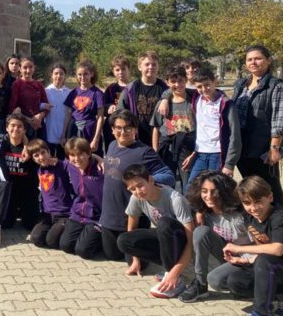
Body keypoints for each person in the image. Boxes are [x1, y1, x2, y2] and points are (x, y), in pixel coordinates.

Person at [218, 176, 283, 316]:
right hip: (277, 269)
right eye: (247, 203)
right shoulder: (250, 217)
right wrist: (245, 260)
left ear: (270, 197)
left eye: (258, 202)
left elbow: (278, 249)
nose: (253, 208)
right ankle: (281, 299)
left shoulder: (280, 218)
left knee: (265, 261)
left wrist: (239, 249)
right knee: (235, 281)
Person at [99, 110, 175, 262]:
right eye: (118, 127)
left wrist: (143, 181)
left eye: (127, 127)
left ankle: (166, 249)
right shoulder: (112, 145)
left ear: (135, 130)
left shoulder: (144, 152)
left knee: (137, 262)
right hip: (109, 216)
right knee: (112, 255)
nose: (123, 132)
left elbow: (169, 176)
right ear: (112, 129)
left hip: (132, 217)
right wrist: (97, 159)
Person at [117, 164, 195, 299]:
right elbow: (131, 229)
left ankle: (176, 278)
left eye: (140, 185)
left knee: (164, 224)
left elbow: (191, 240)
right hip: (165, 238)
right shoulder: (136, 198)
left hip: (183, 242)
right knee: (124, 240)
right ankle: (170, 269)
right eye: (132, 189)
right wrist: (135, 259)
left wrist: (174, 273)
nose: (138, 191)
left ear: (151, 180)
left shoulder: (174, 199)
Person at [231, 44, 283, 208]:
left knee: (270, 188)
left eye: (258, 58)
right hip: (241, 146)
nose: (253, 62)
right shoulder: (240, 85)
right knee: (250, 186)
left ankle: (280, 219)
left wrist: (274, 148)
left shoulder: (277, 85)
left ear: (268, 61)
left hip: (262, 147)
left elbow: (279, 118)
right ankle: (258, 219)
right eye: (249, 59)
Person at [179, 171, 247, 303]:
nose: (208, 196)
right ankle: (200, 284)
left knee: (216, 280)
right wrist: (200, 212)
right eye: (204, 191)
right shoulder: (206, 212)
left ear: (224, 192)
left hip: (248, 260)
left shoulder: (240, 216)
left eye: (214, 191)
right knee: (201, 231)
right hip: (228, 257)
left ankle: (248, 285)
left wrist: (244, 259)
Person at [185, 67, 241, 188]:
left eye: (207, 85)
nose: (204, 89)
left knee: (216, 189)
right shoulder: (196, 99)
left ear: (215, 82)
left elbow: (235, 134)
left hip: (217, 154)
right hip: (200, 153)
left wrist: (229, 164)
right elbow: (174, 88)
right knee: (191, 187)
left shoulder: (226, 103)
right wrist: (165, 98)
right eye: (199, 86)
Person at [150, 65, 195, 192]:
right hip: (167, 148)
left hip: (187, 150)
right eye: (173, 81)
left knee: (188, 185)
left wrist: (194, 153)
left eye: (180, 80)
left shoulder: (194, 100)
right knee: (166, 185)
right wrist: (155, 150)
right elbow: (156, 127)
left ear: (186, 80)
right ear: (167, 82)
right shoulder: (162, 104)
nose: (177, 84)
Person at [59, 138, 105, 260]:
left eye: (80, 154)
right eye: (72, 155)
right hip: (78, 214)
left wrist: (100, 159)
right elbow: (52, 162)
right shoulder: (70, 166)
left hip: (97, 217)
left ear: (88, 154)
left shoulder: (101, 170)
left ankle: (102, 240)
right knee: (66, 246)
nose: (76, 158)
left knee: (83, 251)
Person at [27, 139, 73, 249]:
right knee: (35, 238)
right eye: (36, 156)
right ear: (33, 159)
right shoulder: (39, 170)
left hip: (64, 214)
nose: (41, 157)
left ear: (49, 151)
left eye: (43, 153)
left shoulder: (62, 165)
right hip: (48, 214)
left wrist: (58, 161)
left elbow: (74, 163)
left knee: (51, 241)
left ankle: (68, 229)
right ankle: (54, 231)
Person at [0, 113, 39, 231]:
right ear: (7, 128)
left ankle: (24, 212)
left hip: (27, 190)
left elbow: (44, 158)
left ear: (24, 130)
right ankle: (13, 212)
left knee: (30, 225)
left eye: (20, 126)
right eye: (13, 125)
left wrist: (27, 147)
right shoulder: (0, 145)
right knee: (6, 224)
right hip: (9, 191)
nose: (16, 129)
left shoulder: (32, 146)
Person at [117, 50, 168, 146]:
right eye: (147, 64)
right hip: (136, 138)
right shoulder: (130, 89)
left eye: (154, 64)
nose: (151, 67)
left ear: (158, 67)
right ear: (139, 67)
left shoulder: (165, 89)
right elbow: (120, 112)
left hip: (160, 138)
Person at [62, 59, 105, 155]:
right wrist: (63, 135)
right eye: (79, 74)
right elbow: (68, 115)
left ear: (91, 74)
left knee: (89, 156)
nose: (82, 77)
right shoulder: (73, 93)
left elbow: (100, 118)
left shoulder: (97, 93)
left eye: (85, 74)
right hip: (74, 129)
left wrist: (96, 139)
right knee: (74, 156)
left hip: (89, 130)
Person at [8, 57, 49, 139]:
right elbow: (12, 107)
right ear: (20, 69)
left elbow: (46, 106)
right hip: (23, 125)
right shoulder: (17, 84)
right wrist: (28, 120)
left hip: (39, 124)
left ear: (34, 68)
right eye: (25, 67)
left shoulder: (39, 85)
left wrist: (40, 116)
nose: (28, 70)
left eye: (31, 67)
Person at [103, 55, 131, 150]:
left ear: (128, 69)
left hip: (128, 126)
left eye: (123, 69)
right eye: (117, 70)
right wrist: (109, 107)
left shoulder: (133, 87)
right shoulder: (110, 88)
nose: (120, 72)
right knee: (112, 150)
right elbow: (103, 106)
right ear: (113, 71)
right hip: (112, 126)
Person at [45, 63, 71, 159]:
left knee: (62, 161)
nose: (58, 76)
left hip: (63, 133)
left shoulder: (69, 93)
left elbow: (69, 113)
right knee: (49, 159)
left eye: (61, 74)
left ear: (65, 76)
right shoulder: (46, 91)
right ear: (51, 75)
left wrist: (65, 134)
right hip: (49, 131)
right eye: (56, 73)